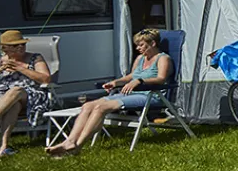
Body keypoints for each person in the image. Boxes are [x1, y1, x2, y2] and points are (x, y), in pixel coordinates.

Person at [46, 29, 172, 157]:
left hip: (150, 95)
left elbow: (161, 78)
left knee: (101, 108)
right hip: (130, 93)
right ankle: (70, 141)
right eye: (137, 45)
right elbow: (130, 76)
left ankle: (78, 146)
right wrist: (115, 83)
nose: (138, 48)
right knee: (87, 106)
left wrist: (140, 81)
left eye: (141, 45)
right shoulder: (140, 58)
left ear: (153, 44)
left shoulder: (163, 58)